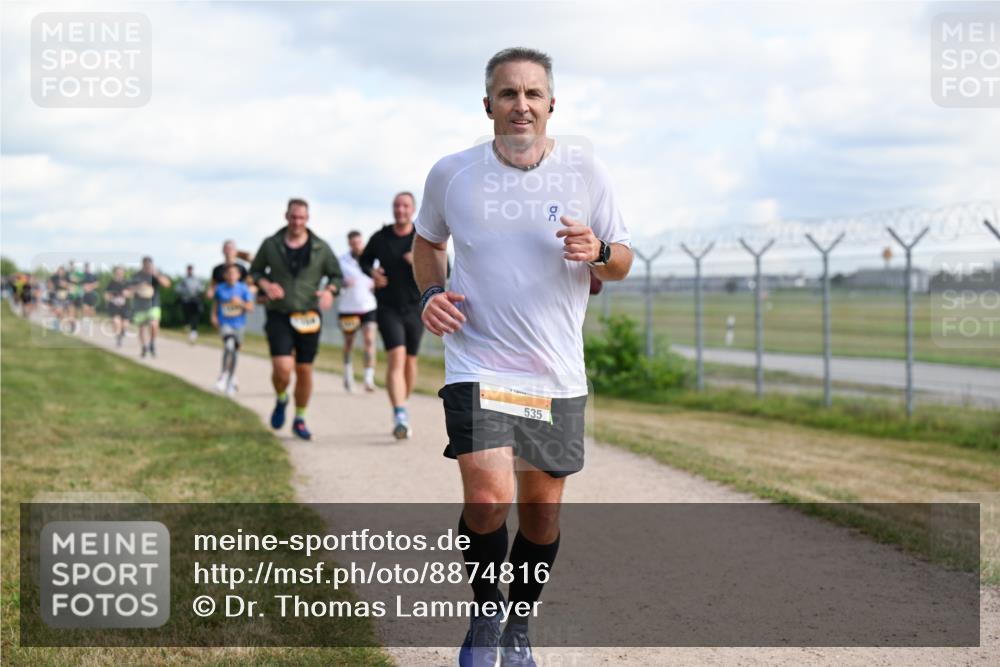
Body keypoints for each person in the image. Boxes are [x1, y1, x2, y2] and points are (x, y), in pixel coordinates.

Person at [413, 47, 633, 667]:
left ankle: (518, 624)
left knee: (540, 515)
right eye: (508, 93)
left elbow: (622, 261)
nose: (521, 104)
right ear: (488, 105)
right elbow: (427, 241)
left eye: (532, 93)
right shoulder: (451, 174)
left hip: (554, 372)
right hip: (478, 361)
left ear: (551, 103)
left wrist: (597, 251)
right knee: (487, 496)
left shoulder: (586, 172)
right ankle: (486, 615)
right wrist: (430, 292)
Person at [249, 198, 343, 440]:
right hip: (279, 313)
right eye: (293, 217)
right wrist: (267, 284)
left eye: (301, 218)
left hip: (309, 315)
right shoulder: (271, 244)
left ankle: (299, 418)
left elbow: (336, 275)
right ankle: (281, 398)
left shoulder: (320, 247)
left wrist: (330, 291)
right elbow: (255, 271)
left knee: (304, 370)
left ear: (307, 219)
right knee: (282, 368)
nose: (297, 222)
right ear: (286, 216)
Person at [359, 192, 424, 439]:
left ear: (413, 209)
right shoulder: (381, 237)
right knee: (396, 357)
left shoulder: (422, 236)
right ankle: (399, 413)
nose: (400, 210)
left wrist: (417, 260)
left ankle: (403, 403)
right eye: (397, 206)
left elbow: (445, 267)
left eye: (405, 206)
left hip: (416, 307)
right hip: (387, 307)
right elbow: (364, 261)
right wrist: (373, 274)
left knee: (410, 360)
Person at [337, 230, 378, 393]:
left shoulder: (372, 262)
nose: (357, 246)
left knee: (369, 341)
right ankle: (348, 374)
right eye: (353, 243)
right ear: (349, 244)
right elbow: (334, 280)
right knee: (349, 344)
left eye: (359, 242)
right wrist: (343, 283)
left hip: (368, 307)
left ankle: (369, 379)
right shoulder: (342, 262)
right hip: (348, 309)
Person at [211, 264, 254, 397]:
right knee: (229, 345)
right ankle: (223, 374)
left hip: (239, 325)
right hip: (225, 323)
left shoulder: (243, 289)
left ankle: (231, 379)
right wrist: (213, 316)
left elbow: (250, 308)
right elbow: (216, 304)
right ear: (225, 276)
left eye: (233, 273)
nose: (231, 276)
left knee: (234, 351)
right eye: (228, 273)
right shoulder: (220, 288)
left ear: (238, 276)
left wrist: (240, 303)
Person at [129, 256, 172, 358]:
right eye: (146, 265)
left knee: (154, 324)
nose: (148, 267)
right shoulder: (137, 276)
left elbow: (167, 284)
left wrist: (156, 275)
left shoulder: (155, 275)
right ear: (143, 265)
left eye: (149, 265)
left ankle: (152, 343)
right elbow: (129, 290)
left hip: (153, 304)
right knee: (141, 328)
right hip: (140, 306)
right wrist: (139, 288)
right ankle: (144, 347)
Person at [177, 264, 205, 344]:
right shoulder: (183, 280)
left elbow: (202, 288)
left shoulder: (197, 279)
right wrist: (184, 291)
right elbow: (178, 289)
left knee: (195, 317)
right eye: (188, 269)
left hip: (195, 301)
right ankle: (187, 327)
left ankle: (193, 333)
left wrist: (199, 291)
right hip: (186, 301)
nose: (190, 271)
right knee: (187, 317)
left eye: (191, 269)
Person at [104, 266, 131, 347]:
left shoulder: (127, 283)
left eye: (121, 273)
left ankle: (122, 332)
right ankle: (118, 338)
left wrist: (127, 294)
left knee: (125, 324)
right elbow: (106, 294)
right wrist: (110, 297)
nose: (119, 274)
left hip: (124, 305)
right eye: (118, 273)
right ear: (115, 273)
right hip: (114, 305)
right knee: (116, 321)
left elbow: (131, 293)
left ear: (123, 274)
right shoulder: (111, 283)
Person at [79, 262, 100, 326]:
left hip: (92, 294)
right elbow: (79, 284)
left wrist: (90, 286)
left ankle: (91, 319)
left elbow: (97, 284)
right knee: (85, 307)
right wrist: (84, 287)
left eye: (88, 267)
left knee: (92, 308)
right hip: (84, 293)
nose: (86, 268)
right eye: (85, 266)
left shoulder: (93, 275)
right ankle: (85, 320)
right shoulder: (81, 275)